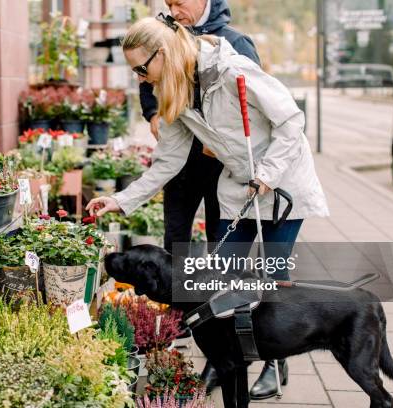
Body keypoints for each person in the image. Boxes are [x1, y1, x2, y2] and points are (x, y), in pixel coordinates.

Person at [86, 15, 329, 400]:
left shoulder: (233, 71)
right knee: (218, 281)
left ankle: (274, 360)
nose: (138, 78)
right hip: (239, 189)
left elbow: (291, 122)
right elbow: (167, 161)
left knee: (272, 280)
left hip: (281, 183)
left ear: (162, 54)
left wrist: (267, 173)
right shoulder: (179, 91)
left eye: (140, 68)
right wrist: (120, 200)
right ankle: (226, 358)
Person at [144, 0, 260, 258]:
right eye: (168, 4)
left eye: (179, 3)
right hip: (181, 161)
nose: (173, 11)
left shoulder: (236, 43)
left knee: (219, 239)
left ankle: (218, 295)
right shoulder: (165, 38)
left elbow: (254, 108)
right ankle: (177, 296)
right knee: (175, 240)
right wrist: (152, 112)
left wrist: (227, 141)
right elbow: (147, 75)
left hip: (220, 163)